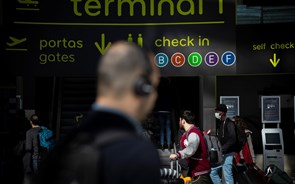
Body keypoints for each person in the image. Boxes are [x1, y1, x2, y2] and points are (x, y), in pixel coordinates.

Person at [32, 41, 161, 184]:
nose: (155, 96)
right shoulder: (138, 154)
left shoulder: (63, 150)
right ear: (142, 87)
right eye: (154, 86)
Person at [169, 110, 212, 184]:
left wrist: (178, 154)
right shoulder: (189, 132)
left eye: (180, 120)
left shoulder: (193, 133)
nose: (179, 122)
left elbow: (191, 148)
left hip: (200, 174)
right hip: (196, 172)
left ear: (183, 121)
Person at [210, 104, 237, 184]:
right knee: (213, 172)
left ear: (222, 112)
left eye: (217, 111)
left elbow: (233, 139)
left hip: (227, 153)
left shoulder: (229, 123)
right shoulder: (221, 123)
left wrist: (222, 148)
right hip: (223, 153)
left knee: (227, 175)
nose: (216, 113)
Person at [23, 114, 42, 183]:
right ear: (39, 121)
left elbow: (28, 148)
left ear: (31, 122)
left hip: (36, 159)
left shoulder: (29, 132)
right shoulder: (44, 130)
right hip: (46, 157)